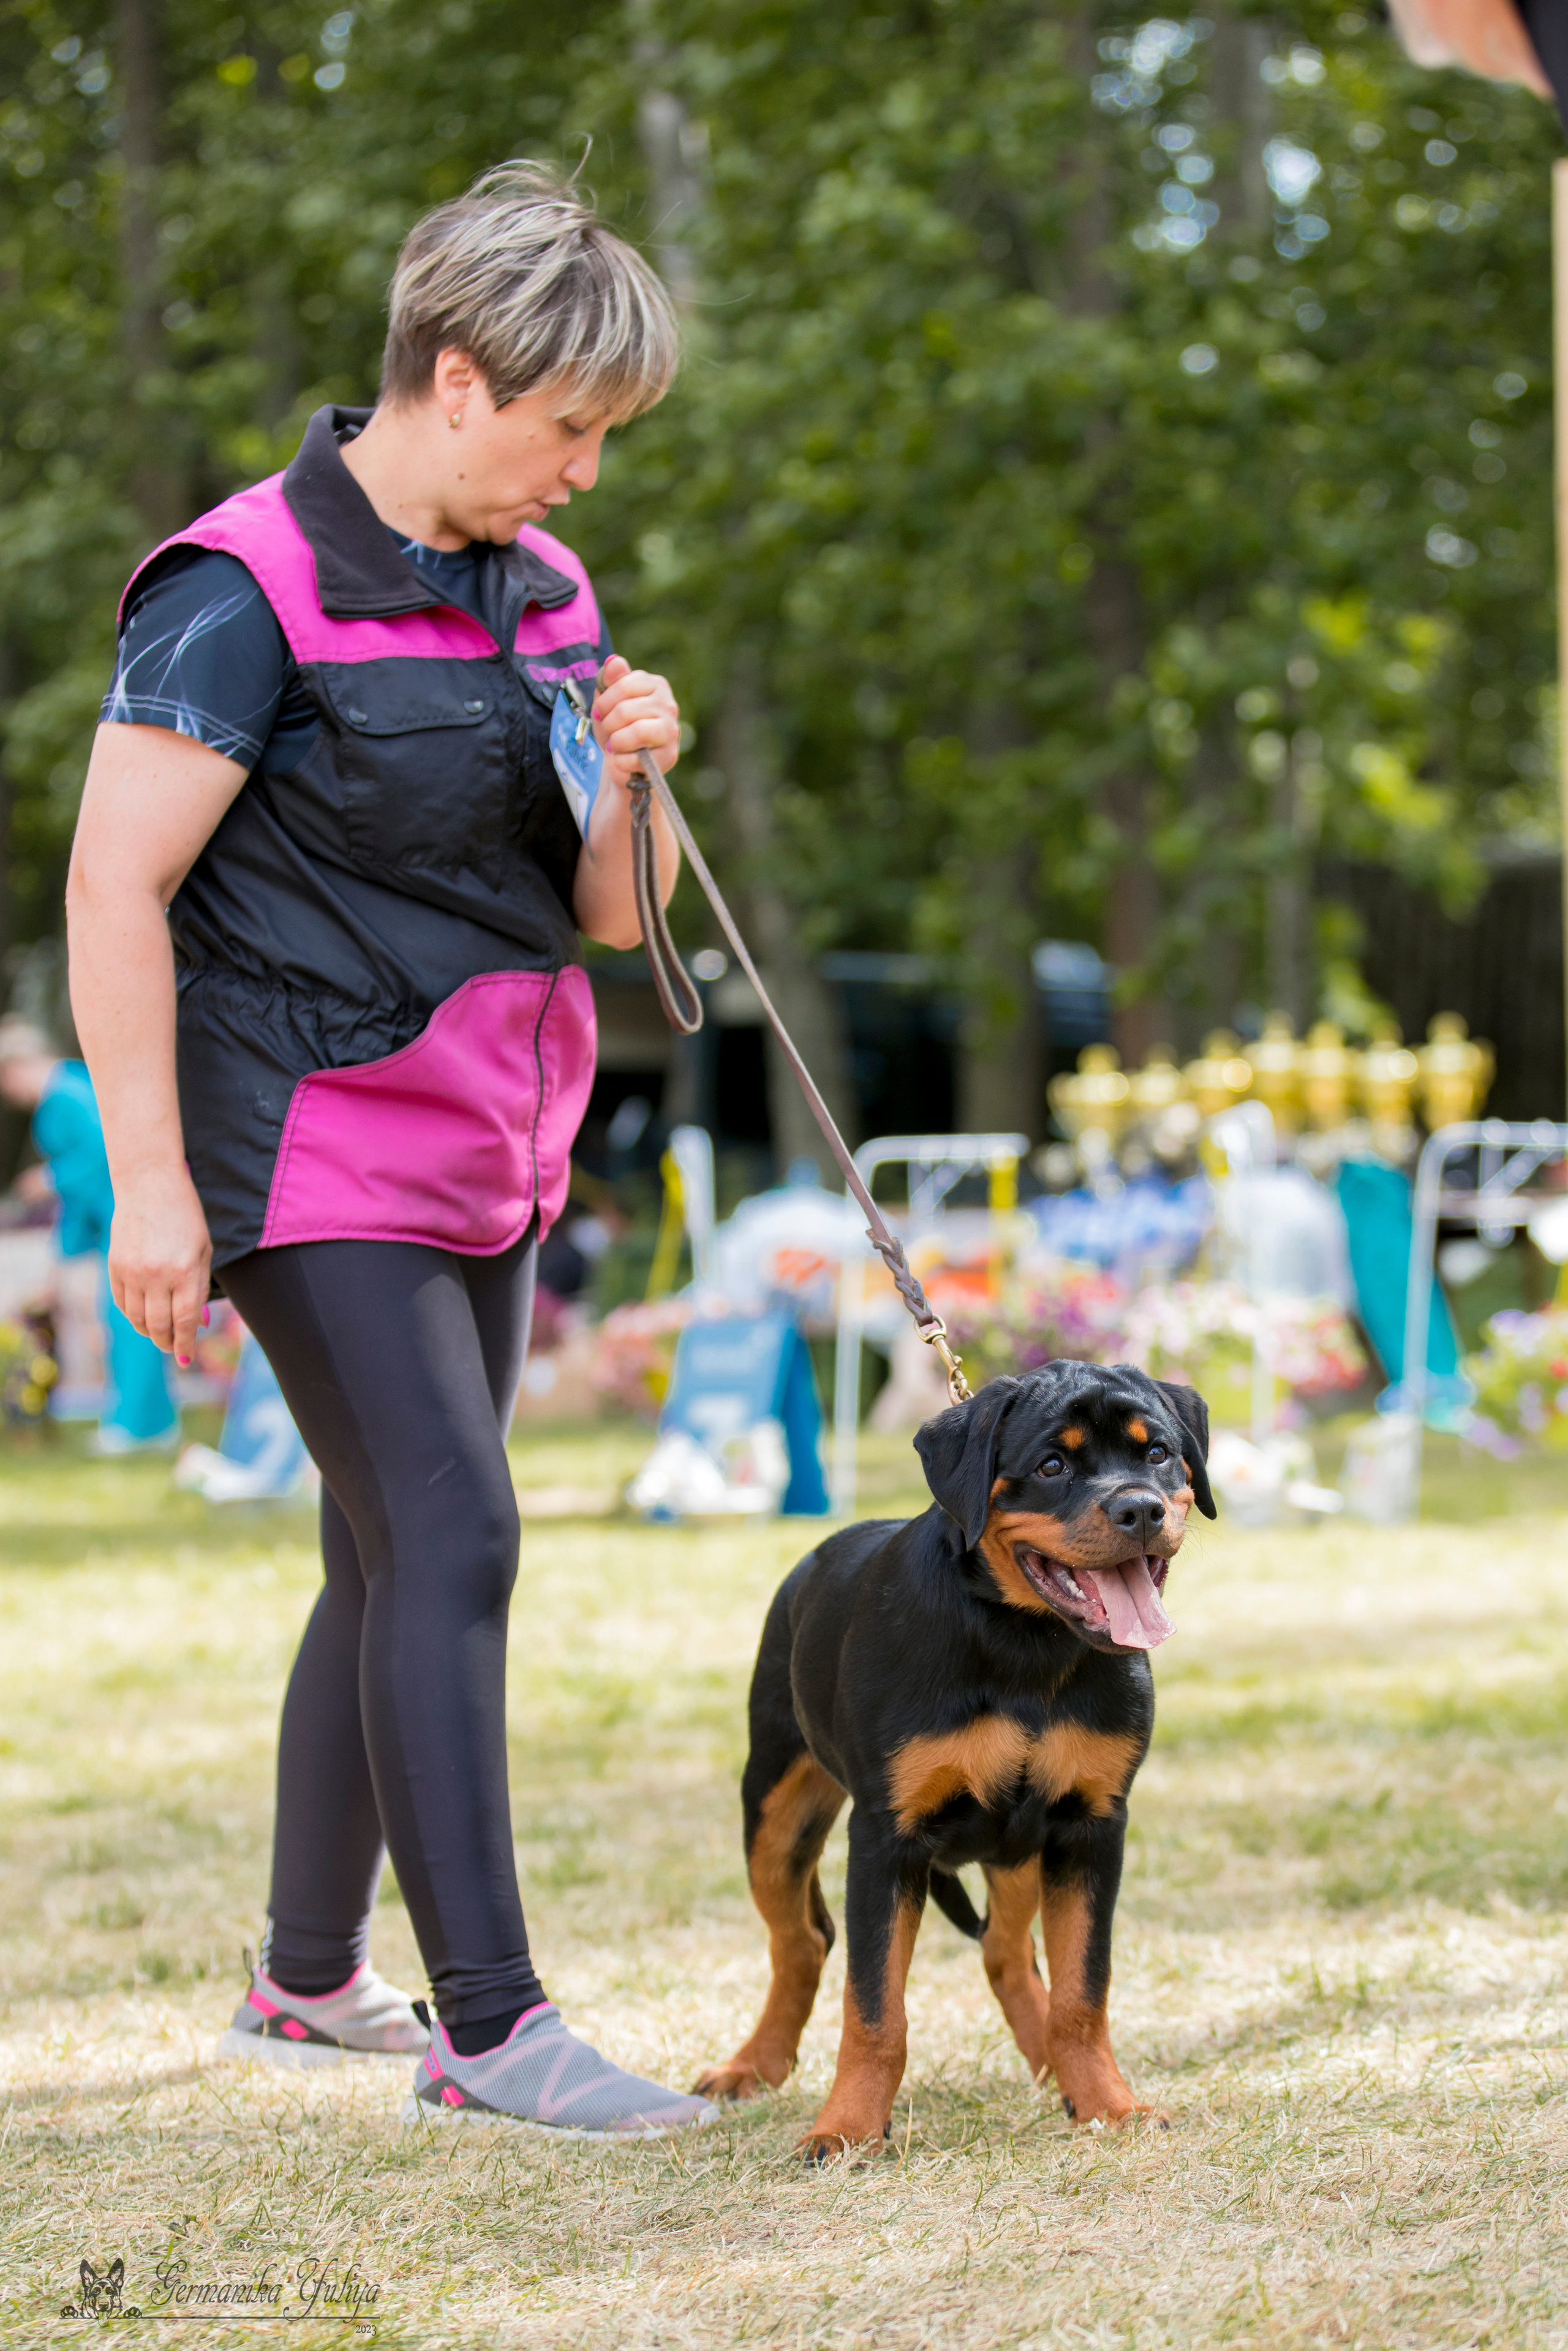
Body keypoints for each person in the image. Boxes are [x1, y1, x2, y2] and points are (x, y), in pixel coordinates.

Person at [68, 162, 716, 2137]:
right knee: (461, 1534)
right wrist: (157, 1184)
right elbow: (112, 889)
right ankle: (492, 2026)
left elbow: (614, 914)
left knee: (384, 1546)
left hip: (490, 1135)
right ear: (455, 378)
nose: (586, 472)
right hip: (307, 1133)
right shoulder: (237, 583)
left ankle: (303, 1977)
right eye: (570, 427)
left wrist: (638, 776)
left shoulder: (544, 593)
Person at [0, 1017, 178, 1452]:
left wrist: (50, 1177)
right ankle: (145, 1420)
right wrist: (62, 1255)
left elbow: (104, 1153)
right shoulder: (75, 1087)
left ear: (15, 1068)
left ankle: (139, 1426)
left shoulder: (64, 1095)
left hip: (126, 1220)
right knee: (128, 1319)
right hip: (117, 1223)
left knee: (130, 1319)